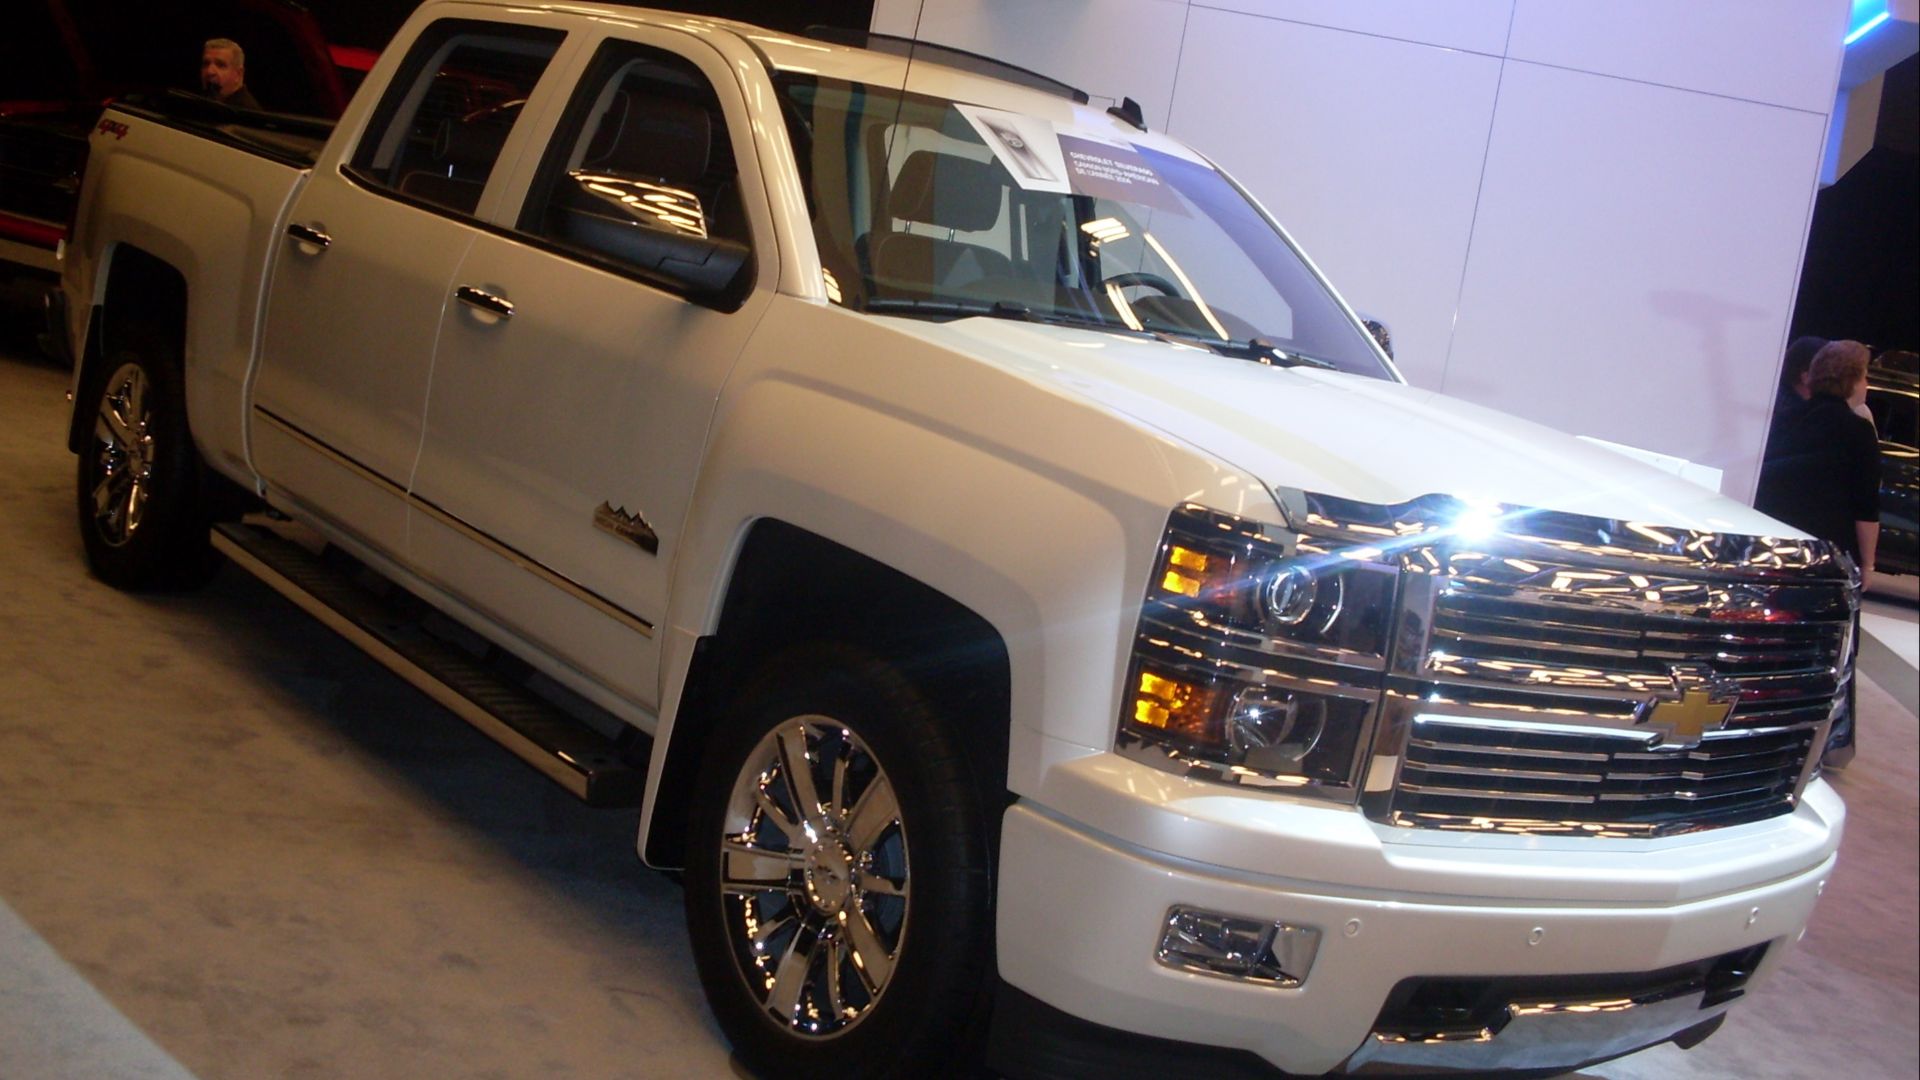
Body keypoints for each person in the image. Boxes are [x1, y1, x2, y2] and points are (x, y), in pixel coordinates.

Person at [1755, 339, 1881, 581]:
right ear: (1851, 382)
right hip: (1828, 554)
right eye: (1865, 377)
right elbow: (1866, 506)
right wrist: (1868, 565)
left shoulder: (1781, 418)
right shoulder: (1859, 430)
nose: (1867, 385)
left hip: (1773, 544)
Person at [200, 38, 260, 110]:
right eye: (206, 64)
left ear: (238, 74)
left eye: (220, 65)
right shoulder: (207, 101)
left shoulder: (247, 112)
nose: (209, 71)